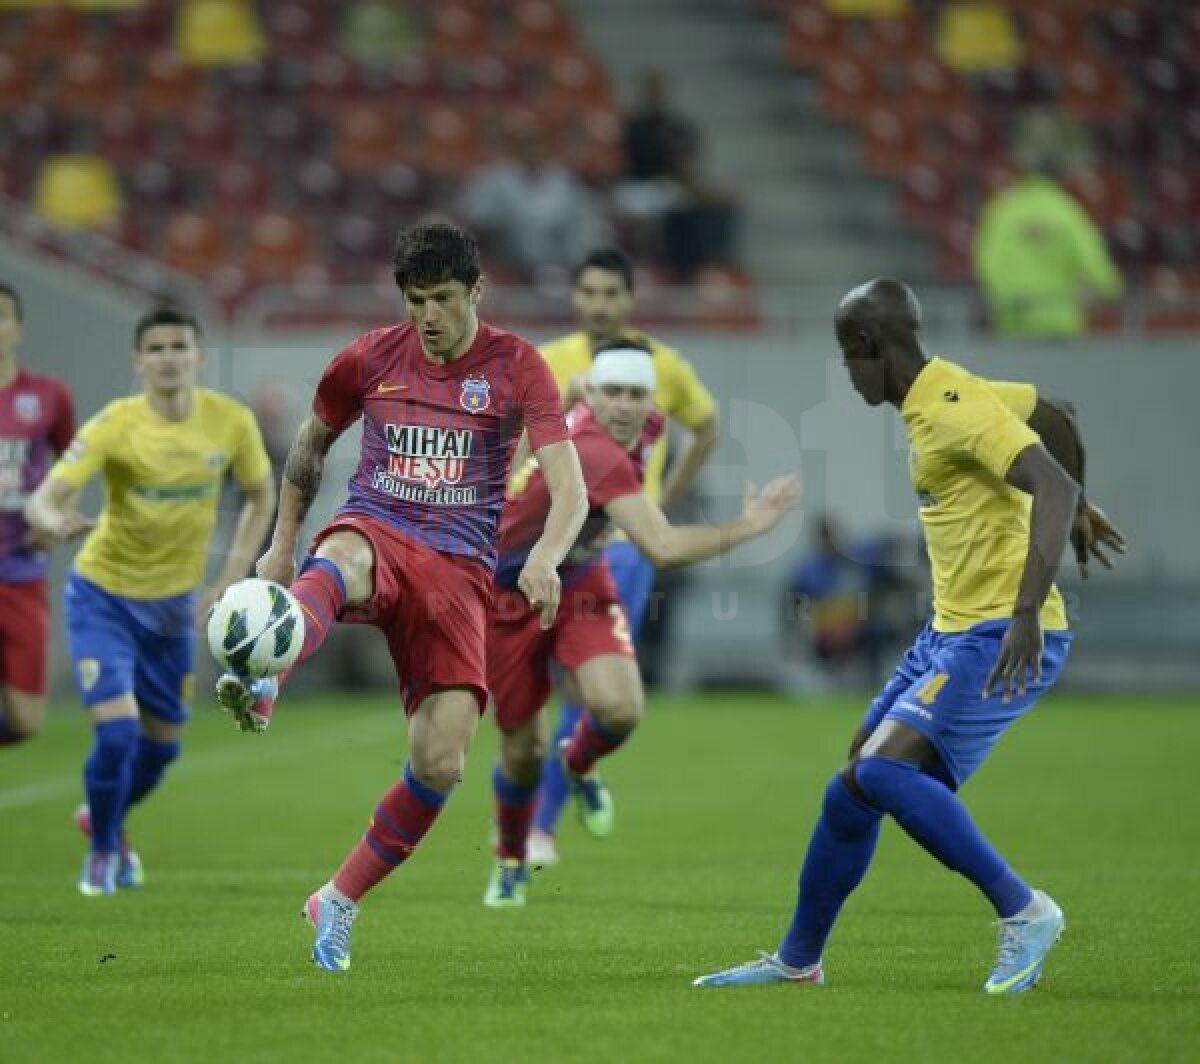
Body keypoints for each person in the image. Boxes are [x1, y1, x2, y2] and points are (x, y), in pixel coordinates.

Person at [695, 278, 1126, 994]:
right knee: (853, 786)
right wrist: (1078, 504)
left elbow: (1049, 480)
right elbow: (1058, 413)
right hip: (950, 628)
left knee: (883, 773)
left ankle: (1025, 911)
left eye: (845, 354)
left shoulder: (950, 411)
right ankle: (798, 962)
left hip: (1000, 630)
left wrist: (1030, 598)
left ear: (868, 347)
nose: (845, 370)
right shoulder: (952, 389)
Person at [214, 222, 587, 973]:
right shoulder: (369, 356)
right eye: (416, 301)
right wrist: (284, 544)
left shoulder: (519, 368)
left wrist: (546, 556)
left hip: (457, 573)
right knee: (340, 557)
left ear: (476, 291)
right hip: (378, 526)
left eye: (444, 299)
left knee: (442, 764)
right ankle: (265, 675)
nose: (429, 316)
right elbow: (309, 450)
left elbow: (570, 488)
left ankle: (338, 899)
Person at [484, 344, 798, 906]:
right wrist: (752, 526)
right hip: (510, 595)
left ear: (652, 401)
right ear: (598, 396)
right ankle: (509, 858)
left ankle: (577, 763)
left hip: (578, 578)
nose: (627, 406)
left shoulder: (635, 420)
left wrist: (577, 391)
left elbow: (682, 426)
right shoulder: (596, 453)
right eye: (615, 394)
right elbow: (663, 547)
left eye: (636, 395)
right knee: (522, 752)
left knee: (621, 708)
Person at [25, 307, 276, 896]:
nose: (168, 357)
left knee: (161, 751)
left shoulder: (230, 422)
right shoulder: (116, 424)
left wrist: (231, 580)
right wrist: (52, 518)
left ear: (198, 356)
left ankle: (101, 815)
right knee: (117, 735)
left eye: (178, 346)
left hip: (172, 611)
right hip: (103, 598)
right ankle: (104, 850)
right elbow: (45, 497)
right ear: (138, 361)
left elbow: (261, 496)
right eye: (156, 348)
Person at [528, 247, 718, 866]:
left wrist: (662, 499)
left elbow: (706, 425)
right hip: (544, 546)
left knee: (580, 691)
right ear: (576, 297)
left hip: (618, 554)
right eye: (589, 291)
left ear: (630, 299)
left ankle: (542, 827)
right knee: (530, 691)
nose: (600, 304)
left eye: (612, 293)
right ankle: (572, 777)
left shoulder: (663, 364)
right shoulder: (551, 359)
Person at [0, 283, 76, 746]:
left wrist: (55, 517)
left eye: (1, 316)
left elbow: (73, 463)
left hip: (22, 568)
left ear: (18, 327)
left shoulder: (48, 396)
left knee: (26, 722)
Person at [972, 157, 1123, 340]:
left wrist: (1002, 295)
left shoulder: (1003, 210)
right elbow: (1092, 259)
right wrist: (1110, 287)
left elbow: (985, 260)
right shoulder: (1067, 211)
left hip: (1014, 317)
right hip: (1060, 318)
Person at [461, 121, 609, 280]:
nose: (532, 150)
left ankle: (574, 274)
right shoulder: (498, 177)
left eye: (536, 144)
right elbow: (476, 214)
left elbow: (581, 212)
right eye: (526, 145)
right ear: (516, 148)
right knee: (526, 231)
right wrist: (505, 219)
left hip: (559, 247)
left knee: (588, 231)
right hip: (512, 246)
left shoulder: (560, 177)